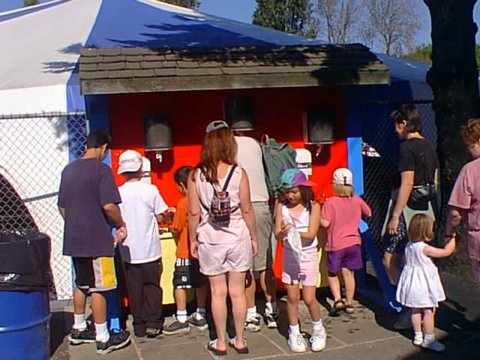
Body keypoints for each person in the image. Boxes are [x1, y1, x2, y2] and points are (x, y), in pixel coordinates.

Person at [187, 120, 258, 355]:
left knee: (217, 292)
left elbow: (194, 212)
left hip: (210, 238)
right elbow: (247, 209)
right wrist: (254, 237)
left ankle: (220, 341)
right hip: (237, 236)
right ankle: (240, 338)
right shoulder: (239, 173)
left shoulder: (196, 174)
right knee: (237, 292)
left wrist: (192, 240)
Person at [58, 130, 131, 355]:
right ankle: (103, 337)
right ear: (104, 148)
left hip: (74, 238)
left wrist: (76, 223)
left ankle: (79, 328)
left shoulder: (68, 170)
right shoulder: (102, 170)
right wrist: (121, 224)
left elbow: (62, 207)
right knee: (100, 287)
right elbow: (108, 206)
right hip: (97, 239)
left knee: (82, 283)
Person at [383, 104, 439, 285]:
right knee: (419, 258)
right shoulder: (429, 145)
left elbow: (407, 181)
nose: (395, 130)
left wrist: (395, 215)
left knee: (389, 258)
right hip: (426, 209)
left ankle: (406, 297)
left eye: (396, 125)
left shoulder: (406, 148)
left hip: (406, 210)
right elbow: (435, 180)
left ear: (404, 123)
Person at [116, 149, 168, 338]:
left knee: (134, 288)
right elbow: (161, 214)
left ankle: (138, 324)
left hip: (128, 250)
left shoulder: (118, 192)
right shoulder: (150, 190)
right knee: (152, 286)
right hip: (150, 249)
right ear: (140, 169)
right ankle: (153, 322)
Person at [275, 168, 326, 353]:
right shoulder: (281, 207)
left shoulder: (313, 206)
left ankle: (318, 328)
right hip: (289, 255)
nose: (291, 196)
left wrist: (295, 232)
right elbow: (277, 235)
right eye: (287, 192)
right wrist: (283, 231)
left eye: (294, 191)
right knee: (292, 297)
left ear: (303, 189)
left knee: (309, 297)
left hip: (308, 254)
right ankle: (294, 331)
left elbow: (312, 232)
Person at [234, 131, 278, 331]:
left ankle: (251, 312)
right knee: (265, 264)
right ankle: (272, 308)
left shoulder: (227, 145)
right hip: (262, 205)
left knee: (247, 266)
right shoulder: (255, 143)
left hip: (242, 207)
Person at [396, 214, 456, 352]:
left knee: (415, 310)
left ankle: (417, 336)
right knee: (428, 311)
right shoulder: (425, 248)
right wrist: (452, 238)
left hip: (412, 283)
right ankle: (429, 340)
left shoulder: (409, 245)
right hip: (423, 285)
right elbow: (446, 252)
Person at [163, 166, 208, 335]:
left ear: (182, 185)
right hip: (203, 251)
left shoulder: (183, 202)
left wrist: (172, 220)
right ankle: (201, 313)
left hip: (184, 251)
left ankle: (181, 317)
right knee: (200, 282)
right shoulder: (204, 199)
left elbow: (177, 228)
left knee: (180, 283)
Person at [320, 168, 372, 314]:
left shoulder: (331, 202)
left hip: (336, 244)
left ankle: (337, 300)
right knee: (348, 273)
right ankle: (349, 303)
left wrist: (316, 214)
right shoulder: (356, 200)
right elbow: (369, 212)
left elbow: (325, 223)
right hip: (354, 243)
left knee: (332, 273)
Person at [445, 118, 480, 288]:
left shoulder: (470, 170)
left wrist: (449, 234)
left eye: (470, 145)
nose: (469, 150)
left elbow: (456, 213)